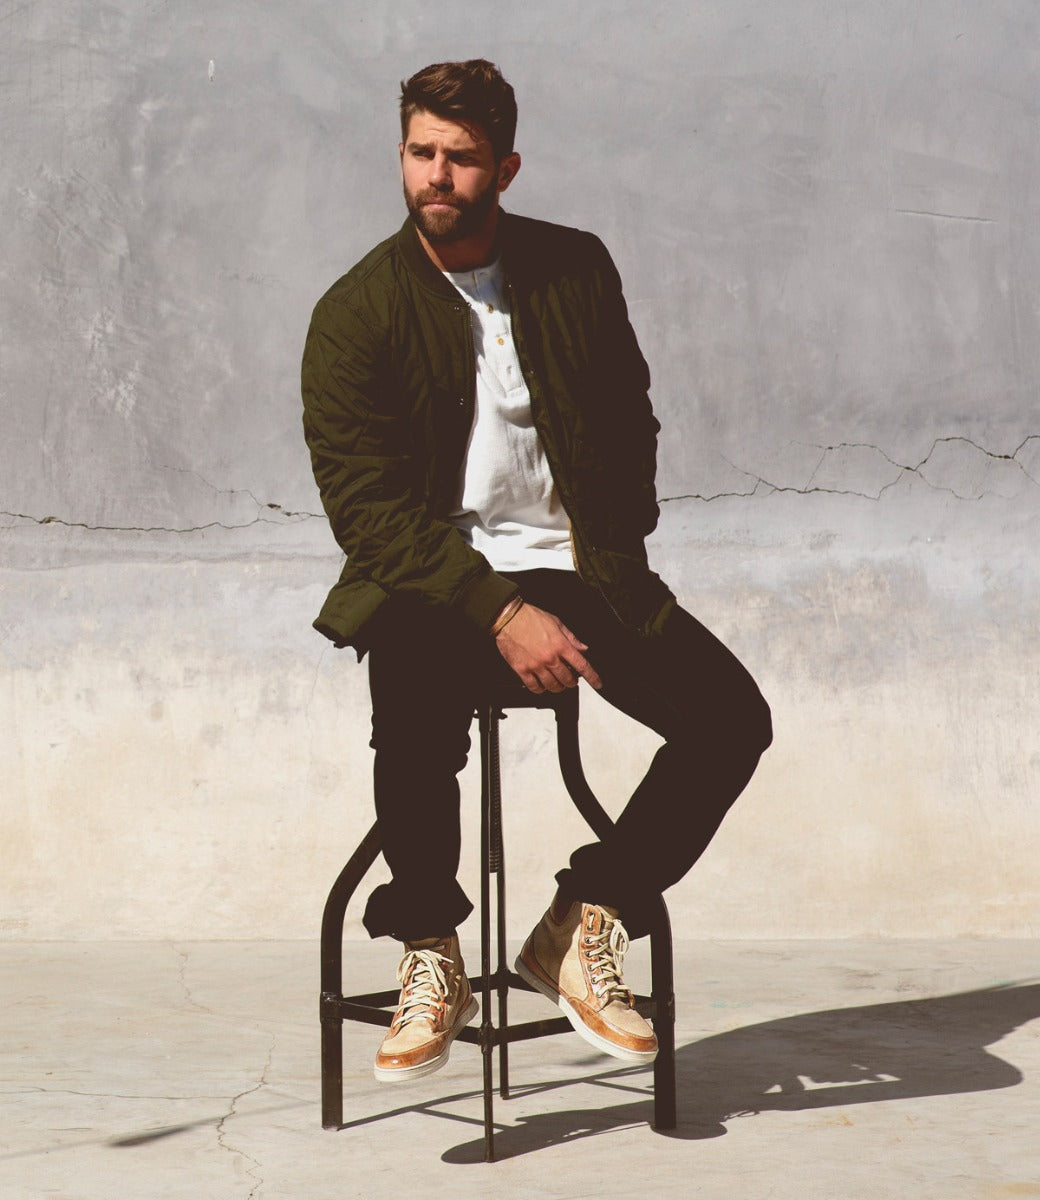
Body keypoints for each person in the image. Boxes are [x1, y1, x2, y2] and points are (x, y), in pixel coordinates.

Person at [301, 59, 772, 1084]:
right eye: (421, 153)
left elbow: (629, 409)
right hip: (432, 580)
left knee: (732, 719)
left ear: (503, 167)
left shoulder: (572, 269)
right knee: (413, 686)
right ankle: (430, 949)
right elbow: (368, 515)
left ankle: (583, 917)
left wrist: (616, 541)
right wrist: (497, 608)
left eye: (461, 159)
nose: (437, 176)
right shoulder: (355, 313)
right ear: (401, 157)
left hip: (581, 569)